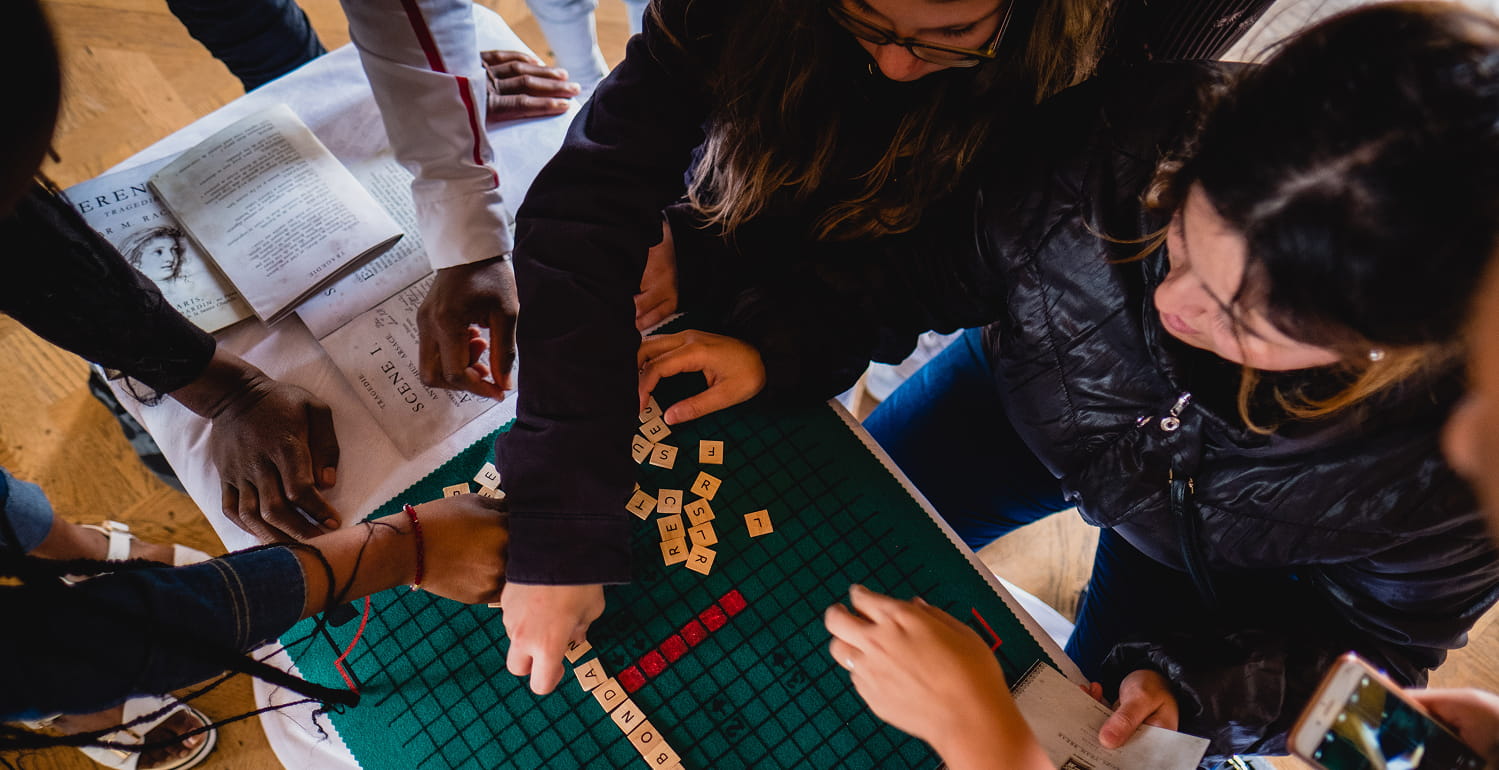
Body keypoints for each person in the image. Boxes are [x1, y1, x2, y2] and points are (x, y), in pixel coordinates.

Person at [634, 1, 1499, 759]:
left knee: (1090, 725)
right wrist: (782, 343)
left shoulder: (1461, 461)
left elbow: (1378, 644)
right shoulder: (1134, 125)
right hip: (1042, 384)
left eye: (1246, 323)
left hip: (1222, 561)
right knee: (831, 533)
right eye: (1179, 237)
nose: (1175, 304)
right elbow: (936, 259)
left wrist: (1193, 689)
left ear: (1395, 346)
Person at [494, 0, 1118, 697]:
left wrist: (785, 345)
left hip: (906, 302)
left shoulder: (1088, 83)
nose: (896, 63)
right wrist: (559, 515)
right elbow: (587, 204)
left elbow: (941, 273)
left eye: (952, 35)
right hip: (744, 215)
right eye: (865, 18)